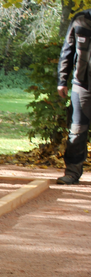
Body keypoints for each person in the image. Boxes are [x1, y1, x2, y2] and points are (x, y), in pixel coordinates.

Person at [56, 9, 90, 185]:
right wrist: (62, 80)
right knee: (76, 131)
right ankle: (72, 172)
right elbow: (67, 50)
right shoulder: (80, 20)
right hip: (82, 85)